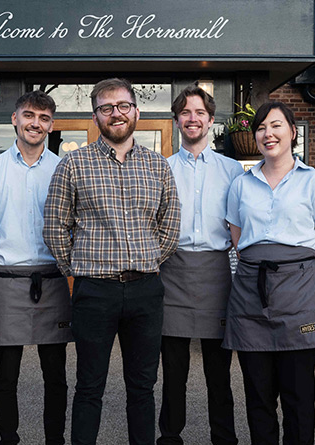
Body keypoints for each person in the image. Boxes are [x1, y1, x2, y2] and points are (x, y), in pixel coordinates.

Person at [43, 77, 181, 445]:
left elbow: (170, 226)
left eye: (122, 106)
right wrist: (80, 270)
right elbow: (55, 228)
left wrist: (150, 259)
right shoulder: (73, 165)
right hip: (94, 292)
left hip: (145, 291)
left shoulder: (158, 167)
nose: (115, 114)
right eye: (106, 108)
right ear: (96, 116)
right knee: (89, 386)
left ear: (136, 111)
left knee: (143, 388)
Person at [223, 102, 315, 445]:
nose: (267, 134)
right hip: (250, 292)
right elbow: (238, 238)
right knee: (258, 396)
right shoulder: (241, 185)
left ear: (292, 131)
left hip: (301, 291)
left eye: (276, 125)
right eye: (261, 128)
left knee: (298, 395)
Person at [0, 91, 72, 445]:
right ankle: (8, 439)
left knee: (56, 374)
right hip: (8, 281)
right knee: (6, 375)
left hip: (52, 279)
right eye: (29, 115)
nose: (36, 123)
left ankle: (55, 439)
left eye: (44, 118)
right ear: (15, 118)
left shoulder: (63, 168)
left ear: (51, 125)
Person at [158, 85, 243, 445]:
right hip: (172, 272)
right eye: (186, 112)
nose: (193, 119)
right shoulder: (160, 168)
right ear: (177, 119)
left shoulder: (233, 170)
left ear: (211, 120)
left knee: (218, 372)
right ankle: (170, 437)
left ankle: (224, 438)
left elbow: (241, 227)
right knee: (173, 370)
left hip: (217, 273)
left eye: (200, 113)